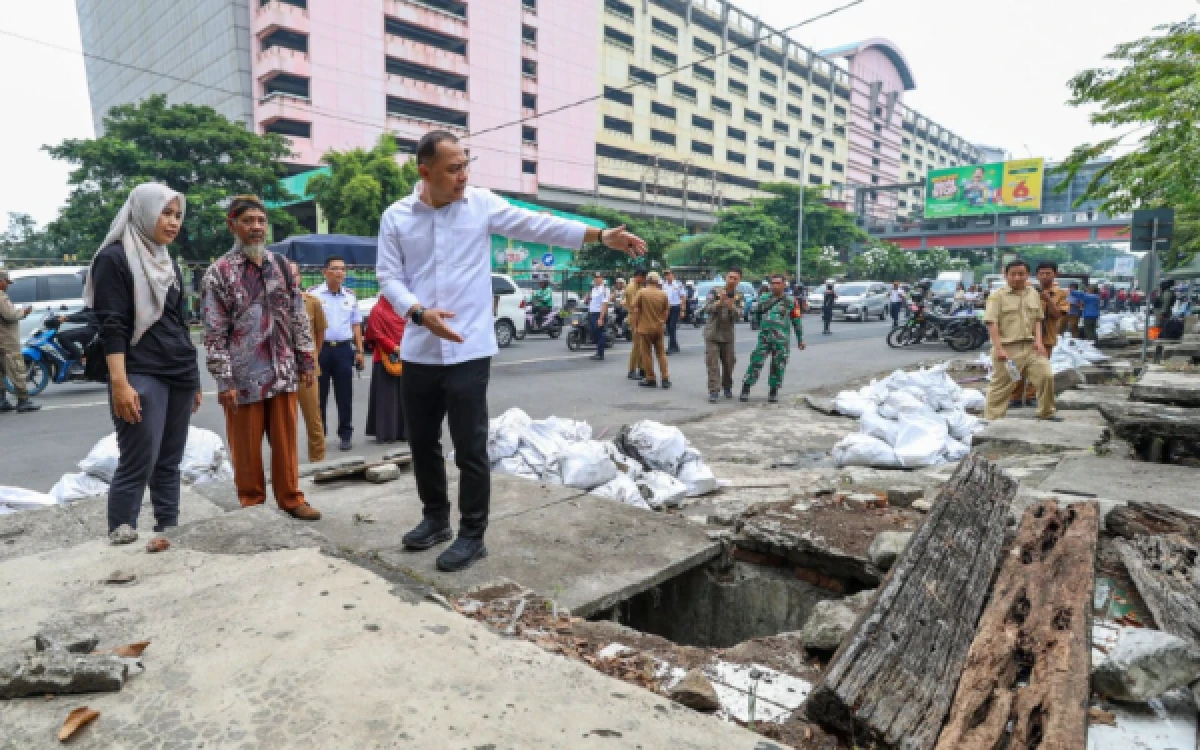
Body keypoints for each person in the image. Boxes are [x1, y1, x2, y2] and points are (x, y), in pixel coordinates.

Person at [376, 130, 646, 572]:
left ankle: (471, 535)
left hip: (468, 349)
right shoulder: (397, 216)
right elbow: (388, 276)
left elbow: (538, 223)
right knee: (422, 442)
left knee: (470, 447)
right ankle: (435, 519)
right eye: (453, 168)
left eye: (466, 164)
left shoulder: (480, 204)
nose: (463, 175)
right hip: (421, 347)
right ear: (425, 171)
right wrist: (418, 312)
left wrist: (600, 236)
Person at [85, 182, 201, 544]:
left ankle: (168, 526)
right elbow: (112, 325)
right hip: (139, 370)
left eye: (177, 215)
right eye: (165, 213)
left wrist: (194, 379)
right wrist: (120, 383)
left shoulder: (168, 263)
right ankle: (122, 529)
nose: (173, 222)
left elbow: (178, 324)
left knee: (169, 460)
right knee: (138, 458)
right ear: (143, 212)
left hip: (179, 369)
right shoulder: (114, 259)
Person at [202, 195, 321, 521]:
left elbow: (298, 315)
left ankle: (291, 498)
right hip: (243, 377)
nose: (255, 227)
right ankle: (252, 505)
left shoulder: (282, 267)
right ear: (233, 225)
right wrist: (223, 379)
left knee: (286, 443)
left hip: (283, 370)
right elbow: (214, 332)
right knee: (246, 448)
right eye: (247, 221)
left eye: (260, 221)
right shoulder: (219, 274)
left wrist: (306, 359)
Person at [983, 260, 1057, 421]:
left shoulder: (1033, 293)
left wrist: (1039, 342)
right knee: (1002, 387)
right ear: (1006, 276)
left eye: (1021, 274)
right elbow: (991, 323)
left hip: (1031, 347)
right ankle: (992, 420)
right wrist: (999, 348)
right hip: (1008, 349)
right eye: (1013, 274)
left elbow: (1038, 319)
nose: (1017, 277)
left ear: (1027, 275)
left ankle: (1046, 412)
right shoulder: (997, 297)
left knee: (1046, 376)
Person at [312, 256, 363, 452]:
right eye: (335, 268)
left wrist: (359, 350)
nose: (340, 272)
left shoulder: (350, 296)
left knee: (344, 395)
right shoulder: (314, 295)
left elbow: (356, 325)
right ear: (324, 272)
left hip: (343, 350)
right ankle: (320, 435)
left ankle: (345, 434)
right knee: (320, 396)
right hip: (321, 349)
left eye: (343, 269)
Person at [741, 274, 805, 403]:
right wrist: (759, 325)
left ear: (784, 285)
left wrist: (800, 339)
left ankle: (773, 391)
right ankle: (746, 389)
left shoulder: (791, 301)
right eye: (773, 283)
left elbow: (796, 321)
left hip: (781, 340)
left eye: (778, 283)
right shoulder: (764, 298)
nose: (775, 286)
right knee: (756, 362)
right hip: (764, 338)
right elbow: (757, 313)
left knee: (778, 365)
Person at [289, 261, 327, 464]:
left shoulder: (312, 302)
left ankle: (318, 461)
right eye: (287, 274)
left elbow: (319, 334)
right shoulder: (273, 302)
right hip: (283, 372)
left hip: (307, 371)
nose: (291, 278)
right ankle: (288, 464)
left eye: (294, 275)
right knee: (285, 422)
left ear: (300, 278)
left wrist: (312, 358)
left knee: (313, 419)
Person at [364, 295, 408, 444]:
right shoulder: (378, 310)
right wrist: (394, 347)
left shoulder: (405, 309)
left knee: (405, 396)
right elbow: (375, 333)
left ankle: (404, 432)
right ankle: (386, 432)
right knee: (387, 397)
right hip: (385, 357)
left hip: (406, 355)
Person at [703, 267, 745, 403]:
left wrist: (732, 306)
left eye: (735, 278)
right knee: (712, 364)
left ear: (739, 280)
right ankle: (713, 390)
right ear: (726, 277)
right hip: (712, 333)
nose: (732, 280)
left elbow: (740, 315)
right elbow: (707, 308)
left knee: (729, 363)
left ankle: (727, 386)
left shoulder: (739, 296)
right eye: (730, 277)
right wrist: (720, 302)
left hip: (727, 335)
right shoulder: (715, 291)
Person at [0, 270, 39, 413]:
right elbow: (9, 316)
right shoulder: (1, 297)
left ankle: (2, 400)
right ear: (1, 281)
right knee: (17, 369)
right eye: (6, 282)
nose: (7, 285)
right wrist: (24, 312)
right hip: (7, 340)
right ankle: (23, 401)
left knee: (1, 371)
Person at [633, 271, 670, 389]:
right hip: (658, 328)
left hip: (645, 328)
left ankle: (650, 378)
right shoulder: (663, 294)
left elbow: (636, 310)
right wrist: (662, 322)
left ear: (647, 280)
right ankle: (665, 378)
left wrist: (636, 326)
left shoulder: (642, 292)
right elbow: (666, 312)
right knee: (661, 353)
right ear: (657, 281)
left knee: (646, 354)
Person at [625, 269, 647, 380]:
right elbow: (635, 306)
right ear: (638, 276)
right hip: (634, 317)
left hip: (638, 317)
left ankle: (642, 368)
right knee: (637, 346)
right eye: (643, 278)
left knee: (640, 344)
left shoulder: (638, 286)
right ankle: (632, 370)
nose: (644, 280)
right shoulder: (631, 287)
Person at [585, 272, 609, 361]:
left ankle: (600, 354)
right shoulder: (593, 289)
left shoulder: (604, 290)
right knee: (594, 333)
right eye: (595, 277)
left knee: (600, 334)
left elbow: (604, 304)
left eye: (598, 277)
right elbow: (589, 300)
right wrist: (587, 298)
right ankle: (598, 352)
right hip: (592, 313)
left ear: (602, 278)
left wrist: (601, 318)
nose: (596, 279)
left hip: (599, 314)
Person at [663, 269, 683, 354]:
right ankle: (675, 345)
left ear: (673, 275)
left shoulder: (678, 284)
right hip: (666, 308)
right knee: (668, 327)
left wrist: (683, 310)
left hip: (675, 307)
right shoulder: (664, 285)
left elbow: (683, 297)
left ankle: (671, 347)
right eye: (666, 275)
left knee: (672, 326)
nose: (667, 276)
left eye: (668, 274)